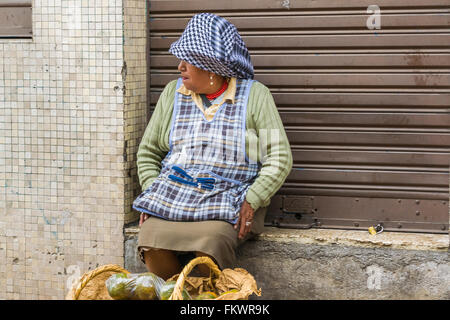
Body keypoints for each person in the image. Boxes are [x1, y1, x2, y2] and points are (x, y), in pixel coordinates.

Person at [133, 13, 292, 280]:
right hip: (174, 195)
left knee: (212, 241)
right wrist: (152, 196)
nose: (180, 67)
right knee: (150, 239)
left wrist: (252, 200)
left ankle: (209, 297)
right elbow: (148, 152)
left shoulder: (254, 96)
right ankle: (178, 295)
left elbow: (279, 157)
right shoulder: (173, 94)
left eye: (189, 60)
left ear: (212, 65)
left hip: (229, 196)